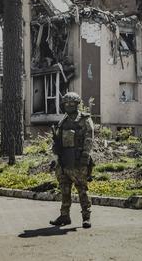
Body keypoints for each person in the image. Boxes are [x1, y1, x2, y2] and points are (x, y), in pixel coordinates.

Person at [50, 92, 94, 229]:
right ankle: (64, 216)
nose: (69, 105)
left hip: (78, 160)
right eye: (66, 103)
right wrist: (55, 157)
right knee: (64, 189)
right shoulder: (62, 121)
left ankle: (86, 217)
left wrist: (85, 158)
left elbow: (89, 140)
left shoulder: (85, 120)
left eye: (72, 103)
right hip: (64, 161)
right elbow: (56, 140)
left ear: (77, 104)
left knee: (82, 189)